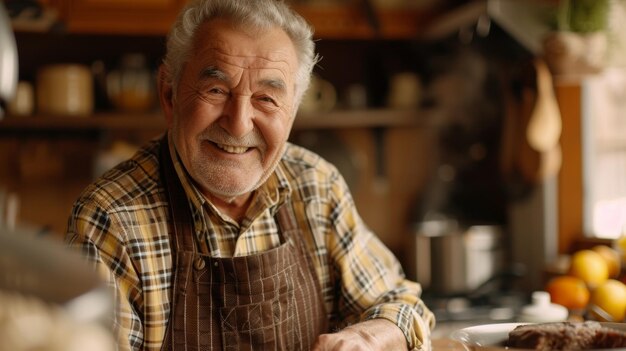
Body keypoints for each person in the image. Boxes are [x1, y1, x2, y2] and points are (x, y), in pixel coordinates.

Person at [65, 0, 435, 350]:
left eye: (267, 98)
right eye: (216, 89)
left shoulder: (316, 186)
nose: (239, 124)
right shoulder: (110, 219)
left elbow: (399, 301)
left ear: (292, 110)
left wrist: (372, 337)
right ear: (170, 94)